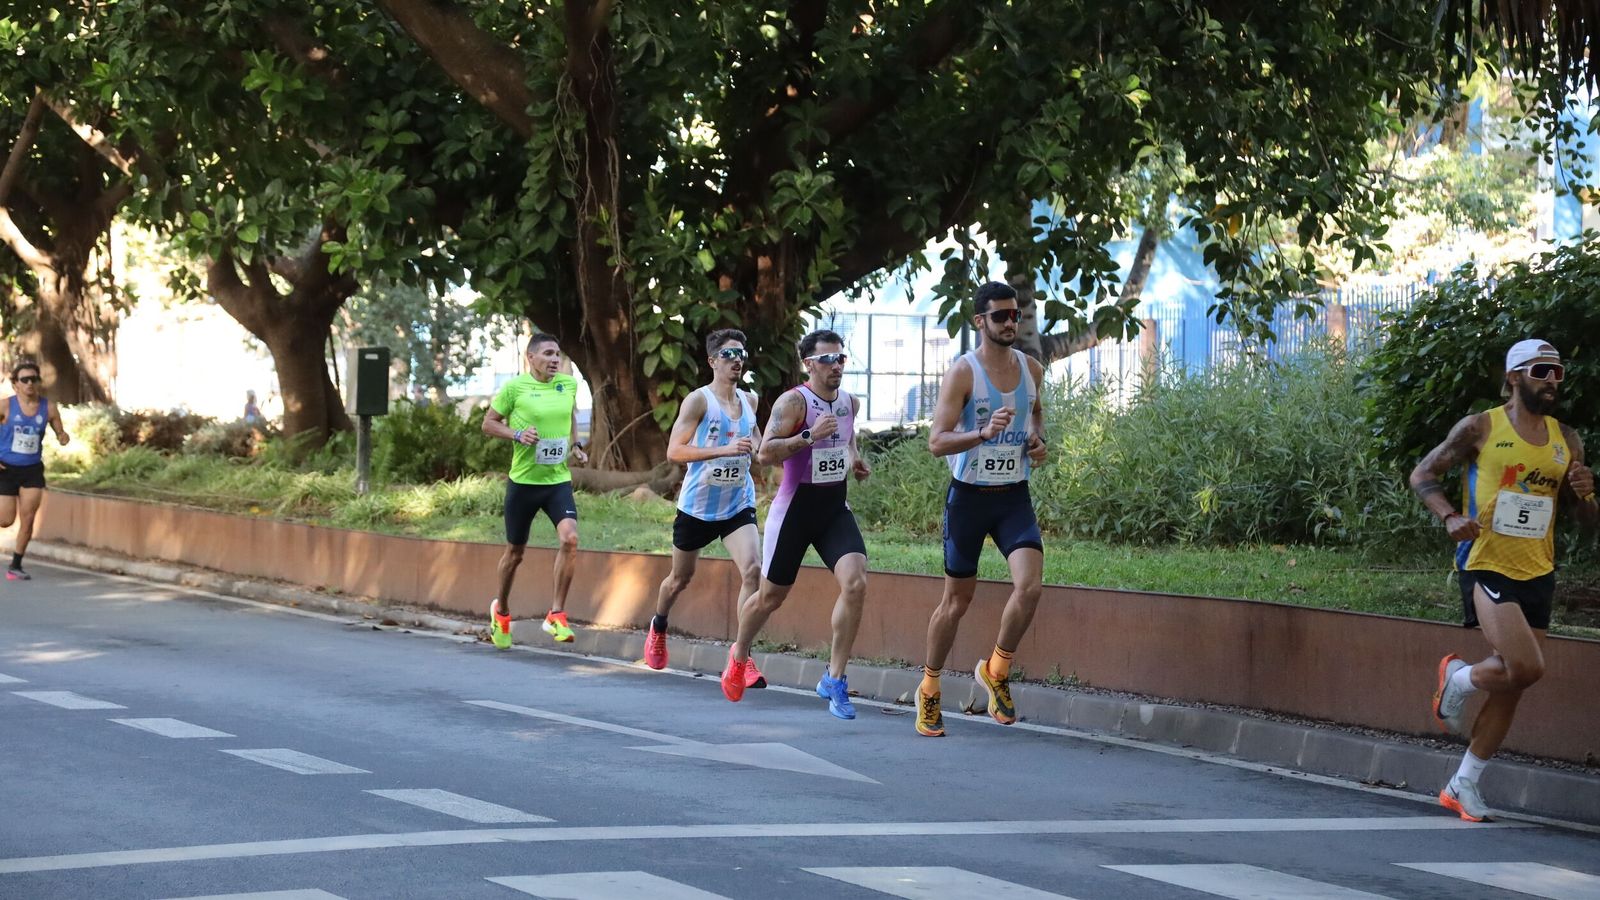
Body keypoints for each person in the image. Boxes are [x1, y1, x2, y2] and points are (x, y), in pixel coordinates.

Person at [1411, 339, 1595, 821]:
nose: (1551, 381)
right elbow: (1423, 473)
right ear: (1515, 376)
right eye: (1541, 371)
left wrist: (1586, 496)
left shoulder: (1567, 439)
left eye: (1557, 372)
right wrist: (1450, 515)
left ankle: (1462, 783)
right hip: (1486, 560)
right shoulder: (1481, 427)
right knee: (1526, 667)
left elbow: (1584, 519)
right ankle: (1459, 678)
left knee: (1513, 682)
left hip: (1539, 566)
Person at [916, 282, 1049, 737]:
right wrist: (981, 435)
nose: (1010, 322)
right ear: (980, 322)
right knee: (956, 603)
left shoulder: (1033, 369)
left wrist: (1037, 442)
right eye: (1000, 316)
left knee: (1029, 588)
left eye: (1015, 315)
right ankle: (930, 689)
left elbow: (1036, 418)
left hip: (1013, 497)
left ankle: (996, 669)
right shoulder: (964, 373)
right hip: (969, 498)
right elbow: (936, 442)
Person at [721, 329, 871, 719]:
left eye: (841, 358)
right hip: (795, 510)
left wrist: (855, 460)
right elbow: (765, 452)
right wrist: (807, 436)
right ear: (809, 364)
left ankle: (834, 678)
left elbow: (849, 440)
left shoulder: (850, 403)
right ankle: (739, 654)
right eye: (828, 360)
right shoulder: (794, 402)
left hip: (834, 508)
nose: (837, 365)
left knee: (856, 582)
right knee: (771, 598)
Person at [646, 329, 766, 693]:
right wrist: (723, 450)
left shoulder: (751, 400)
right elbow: (674, 452)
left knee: (754, 571)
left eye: (741, 354)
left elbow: (759, 448)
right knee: (679, 579)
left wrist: (782, 450)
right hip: (697, 507)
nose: (736, 359)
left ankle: (741, 657)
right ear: (712, 360)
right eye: (728, 354)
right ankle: (659, 626)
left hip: (736, 504)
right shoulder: (698, 402)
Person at [481, 333, 589, 647]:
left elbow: (570, 414)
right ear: (531, 357)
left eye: (558, 354)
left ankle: (556, 614)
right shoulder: (515, 388)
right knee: (515, 554)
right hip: (523, 484)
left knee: (570, 538)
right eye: (548, 354)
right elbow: (488, 423)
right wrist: (516, 434)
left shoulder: (568, 384)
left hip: (557, 481)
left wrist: (576, 443)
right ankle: (500, 612)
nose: (555, 359)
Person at [0, 362, 70, 581]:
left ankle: (15, 566)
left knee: (28, 519)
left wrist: (62, 436)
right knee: (5, 521)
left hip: (31, 470)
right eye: (25, 380)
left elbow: (60, 430)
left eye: (34, 379)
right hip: (5, 469)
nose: (30, 384)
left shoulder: (48, 408)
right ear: (15, 384)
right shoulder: (5, 407)